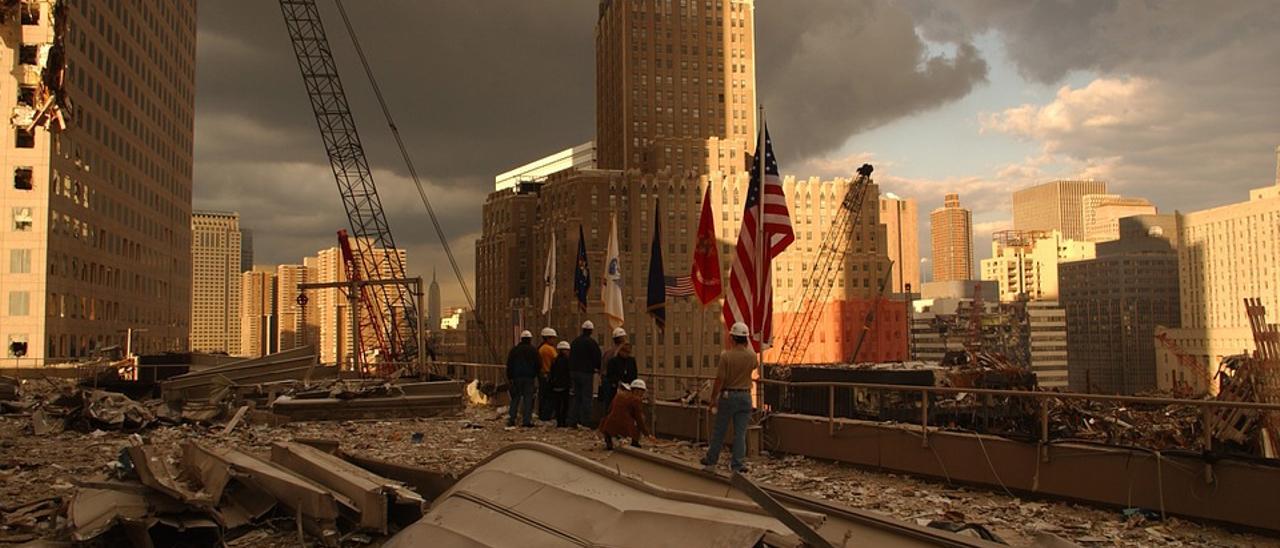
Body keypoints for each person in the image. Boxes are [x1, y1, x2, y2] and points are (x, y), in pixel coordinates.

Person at [701, 322, 756, 474]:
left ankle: (711, 461)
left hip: (728, 395)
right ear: (745, 339)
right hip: (745, 396)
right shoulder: (751, 356)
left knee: (720, 430)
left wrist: (713, 398)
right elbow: (754, 366)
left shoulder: (726, 356)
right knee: (740, 433)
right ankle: (737, 465)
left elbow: (719, 380)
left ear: (732, 338)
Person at [599, 379, 653, 450]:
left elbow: (609, 409)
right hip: (624, 428)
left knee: (610, 418)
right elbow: (639, 419)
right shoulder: (636, 400)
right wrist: (647, 434)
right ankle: (635, 442)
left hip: (608, 425)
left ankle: (608, 438)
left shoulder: (619, 395)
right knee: (642, 417)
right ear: (639, 391)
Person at [567, 320, 602, 428]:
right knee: (586, 397)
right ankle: (585, 421)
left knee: (576, 397)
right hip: (586, 373)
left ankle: (572, 420)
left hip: (574, 372)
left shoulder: (575, 342)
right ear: (591, 331)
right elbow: (597, 357)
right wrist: (598, 368)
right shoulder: (592, 343)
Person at [504, 330, 539, 428]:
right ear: (530, 339)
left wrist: (510, 378)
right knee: (528, 399)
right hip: (529, 378)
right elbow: (538, 364)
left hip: (516, 378)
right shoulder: (533, 350)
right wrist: (535, 375)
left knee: (515, 398)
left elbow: (509, 365)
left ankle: (512, 419)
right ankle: (526, 421)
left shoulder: (514, 350)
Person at [601, 341, 638, 414]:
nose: (627, 354)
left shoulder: (631, 361)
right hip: (615, 388)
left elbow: (634, 373)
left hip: (628, 387)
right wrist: (617, 382)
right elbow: (610, 375)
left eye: (628, 352)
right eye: (625, 352)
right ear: (621, 351)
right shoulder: (613, 361)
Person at [548, 341, 573, 427]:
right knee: (565, 404)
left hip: (556, 385)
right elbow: (568, 373)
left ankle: (559, 422)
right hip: (564, 385)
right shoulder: (567, 361)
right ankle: (563, 421)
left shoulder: (555, 360)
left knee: (557, 404)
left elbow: (552, 373)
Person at [536, 327, 558, 422]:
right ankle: (546, 415)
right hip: (548, 375)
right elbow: (556, 360)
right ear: (548, 338)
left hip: (542, 375)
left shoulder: (540, 348)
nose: (554, 340)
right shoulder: (549, 349)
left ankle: (542, 415)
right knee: (549, 397)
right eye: (552, 338)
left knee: (543, 396)